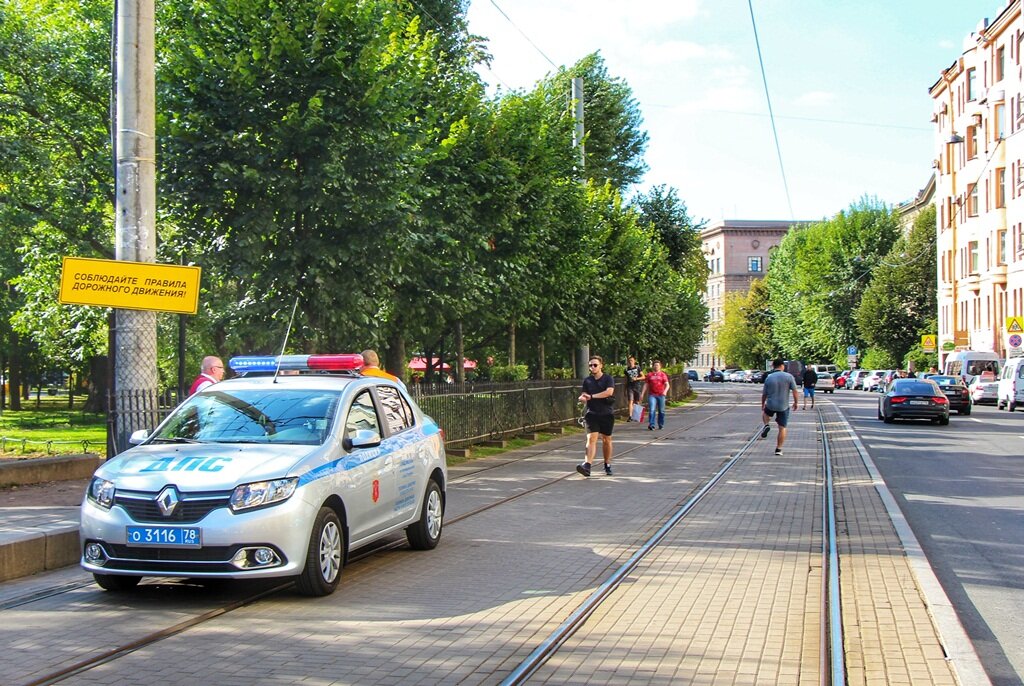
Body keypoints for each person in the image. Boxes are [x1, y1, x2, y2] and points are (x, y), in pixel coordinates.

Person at [576, 355, 615, 477]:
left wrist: (592, 396)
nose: (592, 367)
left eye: (595, 365)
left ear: (601, 366)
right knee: (591, 438)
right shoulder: (587, 381)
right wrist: (582, 398)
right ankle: (587, 465)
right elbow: (584, 394)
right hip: (592, 413)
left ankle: (607, 464)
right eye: (590, 365)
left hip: (606, 413)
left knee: (606, 440)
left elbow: (609, 392)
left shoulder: (608, 379)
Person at [761, 358, 799, 456]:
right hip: (783, 406)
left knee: (765, 413)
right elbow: (795, 391)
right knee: (782, 428)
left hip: (771, 404)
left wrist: (762, 403)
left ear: (773, 366)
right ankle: (778, 449)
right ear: (782, 366)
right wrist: (796, 403)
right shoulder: (789, 377)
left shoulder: (769, 377)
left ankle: (766, 425)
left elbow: (764, 393)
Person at [644, 360, 671, 431]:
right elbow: (646, 384)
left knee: (661, 411)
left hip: (661, 395)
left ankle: (661, 424)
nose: (656, 366)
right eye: (655, 365)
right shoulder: (650, 375)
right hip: (652, 395)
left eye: (657, 365)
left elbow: (667, 385)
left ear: (660, 366)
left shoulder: (662, 375)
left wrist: (665, 391)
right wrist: (642, 393)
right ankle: (651, 424)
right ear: (653, 366)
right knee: (652, 410)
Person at [624, 356, 646, 421]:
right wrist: (624, 389)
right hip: (629, 386)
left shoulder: (637, 368)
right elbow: (626, 379)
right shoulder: (626, 369)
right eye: (629, 361)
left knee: (637, 401)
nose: (630, 362)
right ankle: (630, 416)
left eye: (632, 360)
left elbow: (643, 377)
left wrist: (636, 378)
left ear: (634, 361)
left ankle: (637, 416)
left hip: (637, 386)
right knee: (630, 401)